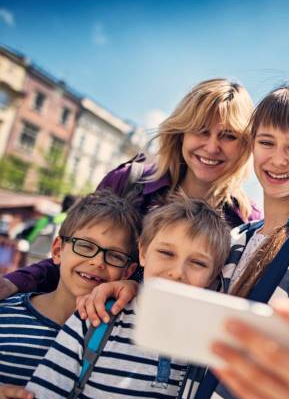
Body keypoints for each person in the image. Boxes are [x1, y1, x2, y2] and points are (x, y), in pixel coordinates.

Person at [79, 83, 289, 399]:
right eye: (267, 142)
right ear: (252, 147)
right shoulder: (236, 240)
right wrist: (135, 287)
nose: (278, 159)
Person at [0, 78, 260, 300]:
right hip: (94, 337)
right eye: (201, 131)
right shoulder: (129, 182)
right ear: (181, 133)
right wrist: (15, 282)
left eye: (228, 136)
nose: (212, 147)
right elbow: (75, 253)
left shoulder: (250, 223)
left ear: (245, 145)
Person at [7, 197, 231, 399]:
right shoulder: (95, 319)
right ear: (143, 253)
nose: (177, 272)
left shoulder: (203, 347)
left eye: (198, 262)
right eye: (166, 253)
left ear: (213, 275)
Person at [0, 191, 140, 399]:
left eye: (114, 256)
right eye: (85, 246)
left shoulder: (118, 344)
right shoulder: (5, 314)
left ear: (127, 272)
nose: (97, 261)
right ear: (57, 250)